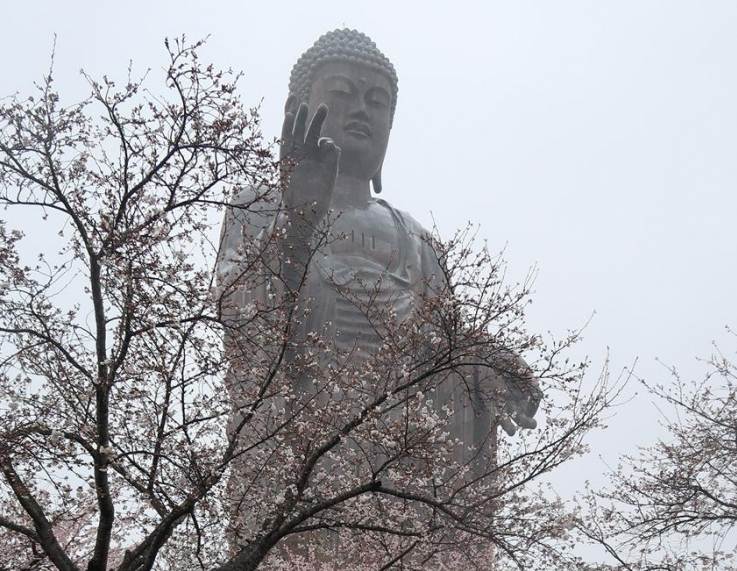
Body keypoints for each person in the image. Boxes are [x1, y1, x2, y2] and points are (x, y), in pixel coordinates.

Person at [215, 28, 538, 529]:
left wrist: (485, 363)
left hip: (408, 460)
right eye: (343, 93)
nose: (362, 111)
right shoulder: (258, 206)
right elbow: (242, 316)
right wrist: (297, 229)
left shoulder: (418, 240)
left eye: (378, 101)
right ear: (298, 108)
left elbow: (444, 346)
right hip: (306, 443)